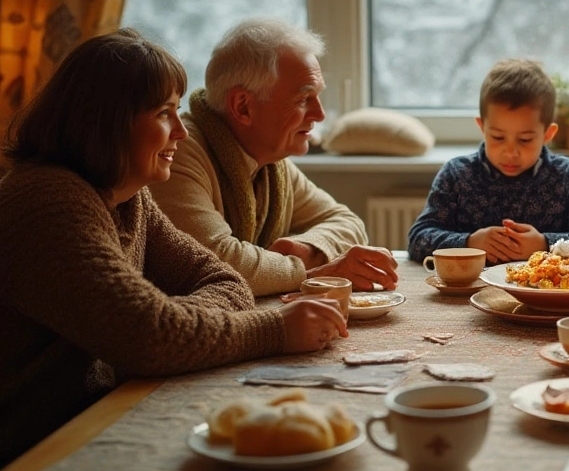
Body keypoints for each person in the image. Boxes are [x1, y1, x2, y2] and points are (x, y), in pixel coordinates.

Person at [0, 30, 348, 471]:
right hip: (1, 460)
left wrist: (171, 323)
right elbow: (150, 338)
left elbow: (223, 280)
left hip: (80, 425)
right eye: (164, 113)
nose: (182, 131)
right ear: (108, 122)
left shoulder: (128, 197)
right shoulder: (46, 202)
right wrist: (276, 330)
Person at [151, 18, 397, 296]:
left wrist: (306, 248)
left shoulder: (272, 164)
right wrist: (313, 271)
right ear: (243, 106)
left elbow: (347, 221)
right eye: (304, 99)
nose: (320, 114)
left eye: (318, 97)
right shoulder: (177, 152)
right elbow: (220, 262)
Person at [407, 59, 569, 264]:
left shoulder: (567, 177)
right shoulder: (456, 175)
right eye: (498, 137)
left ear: (547, 134)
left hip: (542, 295)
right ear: (482, 127)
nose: (511, 152)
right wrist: (468, 243)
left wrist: (545, 245)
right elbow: (418, 239)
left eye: (525, 140)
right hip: (469, 294)